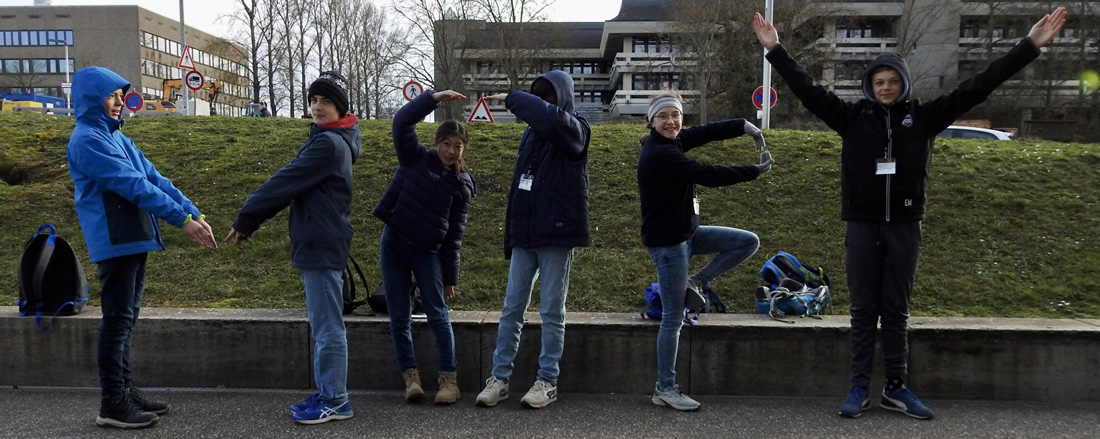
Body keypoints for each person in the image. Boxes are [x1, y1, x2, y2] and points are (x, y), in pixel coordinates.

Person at [753, 7, 1066, 420]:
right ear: (870, 86)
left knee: (896, 310)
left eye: (893, 81)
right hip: (862, 226)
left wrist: (1028, 46)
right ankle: (860, 387)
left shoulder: (924, 117)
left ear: (903, 85)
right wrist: (775, 50)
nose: (885, 87)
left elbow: (979, 86)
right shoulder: (851, 117)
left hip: (904, 227)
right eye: (879, 82)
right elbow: (808, 89)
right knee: (864, 310)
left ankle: (896, 388)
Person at [66, 66, 218, 429]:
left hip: (132, 236)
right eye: (111, 95)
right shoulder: (88, 139)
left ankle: (126, 390)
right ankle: (112, 403)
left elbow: (154, 177)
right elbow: (133, 184)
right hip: (114, 238)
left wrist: (193, 210)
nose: (119, 102)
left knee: (126, 319)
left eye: (121, 95)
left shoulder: (116, 137)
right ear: (92, 98)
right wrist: (182, 220)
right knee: (117, 322)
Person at [225, 71, 361, 425]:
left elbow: (283, 182)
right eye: (314, 100)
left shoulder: (328, 145)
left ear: (339, 107)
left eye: (326, 102)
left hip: (320, 243)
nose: (317, 107)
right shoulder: (334, 138)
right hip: (322, 240)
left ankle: (335, 400)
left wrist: (247, 218)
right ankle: (329, 391)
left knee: (328, 327)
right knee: (325, 325)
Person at [636, 93, 773, 411]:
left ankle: (696, 281)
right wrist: (753, 171)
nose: (671, 122)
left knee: (746, 241)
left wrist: (744, 126)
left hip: (689, 235)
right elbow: (708, 174)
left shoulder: (674, 140)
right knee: (672, 318)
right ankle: (665, 388)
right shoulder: (660, 154)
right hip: (669, 245)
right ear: (651, 122)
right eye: (663, 117)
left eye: (676, 115)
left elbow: (705, 131)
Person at [475, 70, 592, 409]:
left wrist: (514, 98)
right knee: (512, 308)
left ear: (563, 98)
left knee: (552, 310)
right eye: (540, 95)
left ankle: (547, 381)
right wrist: (512, 235)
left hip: (557, 234)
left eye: (550, 96)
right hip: (526, 235)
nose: (544, 102)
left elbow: (551, 118)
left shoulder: (577, 129)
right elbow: (519, 188)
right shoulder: (530, 136)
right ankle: (499, 378)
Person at [373, 89, 475, 405]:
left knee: (437, 314)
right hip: (394, 244)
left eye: (458, 146)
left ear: (464, 150)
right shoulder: (414, 157)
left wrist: (450, 277)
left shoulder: (461, 186)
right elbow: (402, 122)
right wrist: (432, 99)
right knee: (399, 315)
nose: (451, 150)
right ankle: (411, 378)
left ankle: (449, 381)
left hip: (428, 252)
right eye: (446, 144)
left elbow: (454, 236)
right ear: (436, 143)